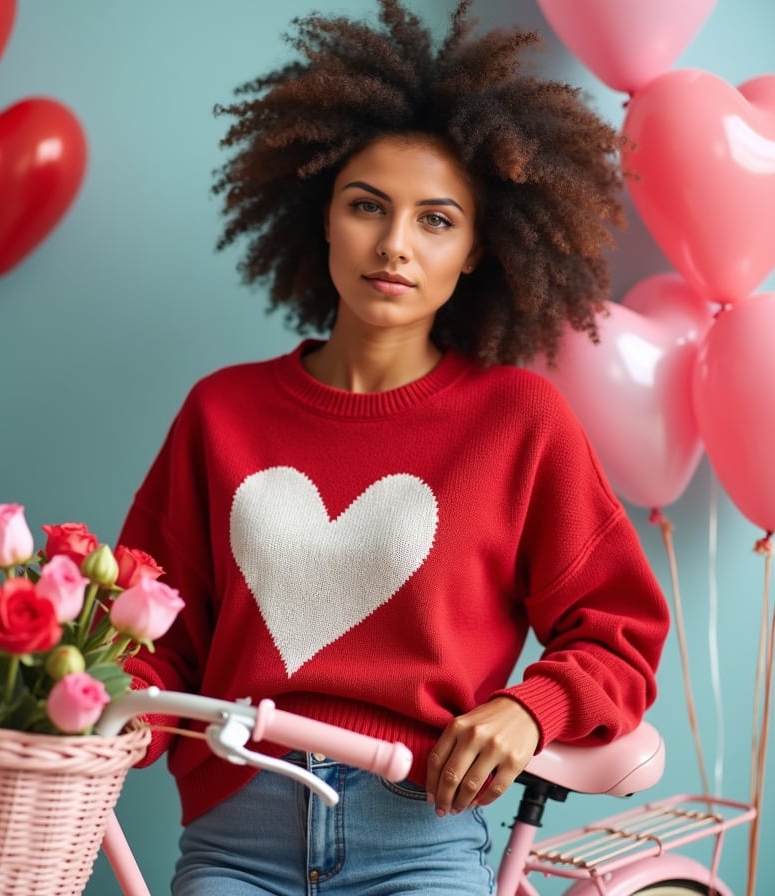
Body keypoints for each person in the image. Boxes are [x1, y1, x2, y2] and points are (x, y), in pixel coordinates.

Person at [118, 2, 670, 893]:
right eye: (367, 207)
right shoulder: (219, 412)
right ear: (323, 218)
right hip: (233, 834)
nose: (395, 245)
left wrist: (532, 711)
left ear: (478, 250)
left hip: (421, 835)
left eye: (436, 221)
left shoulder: (520, 421)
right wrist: (99, 711)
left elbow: (618, 634)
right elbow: (150, 631)